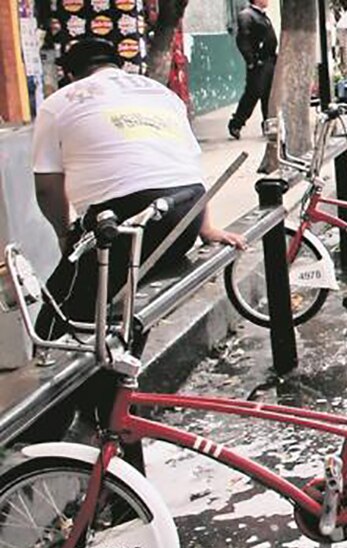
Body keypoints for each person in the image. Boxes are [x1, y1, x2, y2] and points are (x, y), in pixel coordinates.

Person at [29, 37, 245, 442]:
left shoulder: (60, 102)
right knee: (122, 301)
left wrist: (65, 233)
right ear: (117, 64)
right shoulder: (160, 93)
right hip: (185, 211)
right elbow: (186, 163)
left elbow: (46, 188)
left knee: (57, 313)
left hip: (125, 218)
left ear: (69, 74)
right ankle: (105, 406)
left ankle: (43, 435)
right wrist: (205, 227)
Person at [228, 0, 278, 140]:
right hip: (259, 62)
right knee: (253, 93)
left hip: (269, 60)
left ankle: (268, 124)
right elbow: (242, 40)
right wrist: (251, 60)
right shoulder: (247, 15)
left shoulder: (261, 15)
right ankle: (236, 123)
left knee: (268, 95)